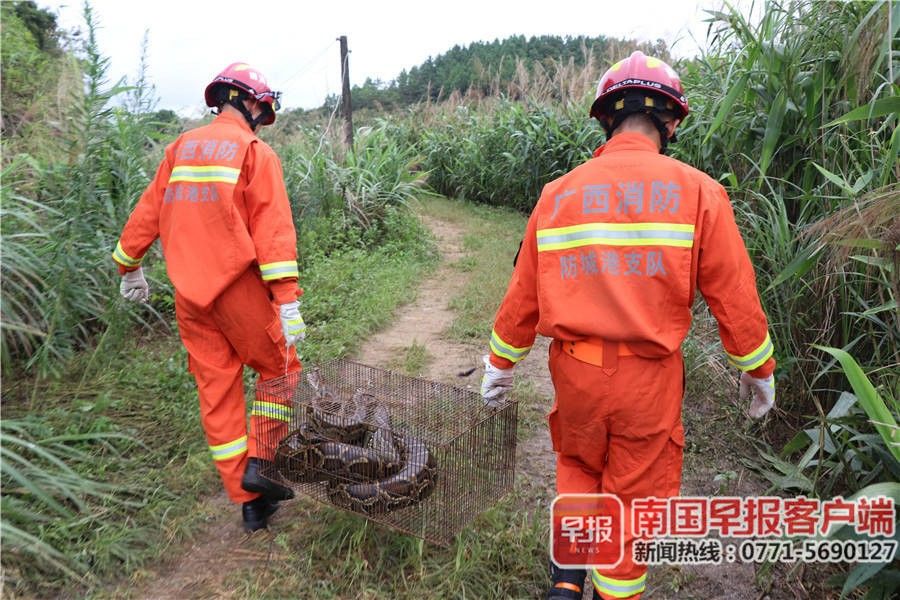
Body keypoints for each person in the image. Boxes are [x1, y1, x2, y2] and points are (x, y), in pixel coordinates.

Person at [480, 51, 777, 600]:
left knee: (577, 461)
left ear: (606, 118)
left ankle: (567, 581)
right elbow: (733, 295)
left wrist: (500, 365)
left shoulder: (559, 193)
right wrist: (758, 368)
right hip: (647, 382)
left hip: (575, 374)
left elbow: (524, 293)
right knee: (632, 501)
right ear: (670, 121)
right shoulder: (699, 193)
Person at [112, 62, 306, 532]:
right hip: (238, 290)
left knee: (217, 395)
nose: (263, 114)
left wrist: (129, 266)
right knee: (280, 368)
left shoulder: (180, 147)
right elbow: (273, 232)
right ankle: (261, 462)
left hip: (190, 299)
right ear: (249, 101)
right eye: (263, 106)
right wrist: (287, 299)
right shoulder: (254, 152)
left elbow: (147, 213)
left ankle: (249, 502)